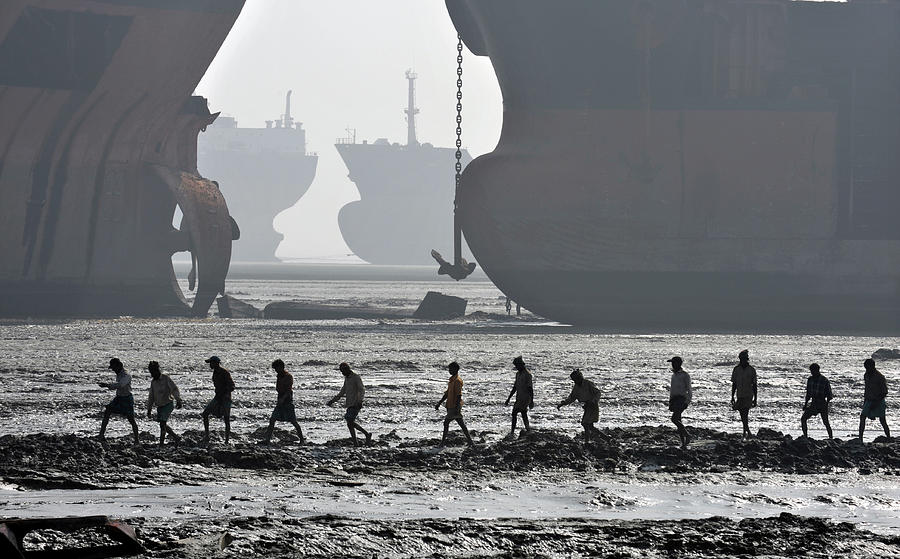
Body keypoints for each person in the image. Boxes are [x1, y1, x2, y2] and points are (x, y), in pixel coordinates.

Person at [327, 362, 372, 446]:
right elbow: (343, 391)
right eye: (341, 371)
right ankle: (356, 442)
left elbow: (361, 390)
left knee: (349, 420)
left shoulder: (356, 377)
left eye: (343, 371)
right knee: (349, 423)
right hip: (349, 403)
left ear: (347, 369)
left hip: (356, 403)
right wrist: (333, 400)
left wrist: (360, 401)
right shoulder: (347, 379)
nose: (342, 373)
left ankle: (366, 434)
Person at [262, 359, 305, 445]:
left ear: (281, 367)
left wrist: (283, 399)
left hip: (287, 402)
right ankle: (267, 440)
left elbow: (288, 390)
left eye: (276, 368)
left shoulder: (288, 376)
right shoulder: (279, 376)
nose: (276, 371)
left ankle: (302, 440)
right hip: (280, 401)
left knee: (293, 421)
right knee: (272, 420)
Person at [99, 357, 140, 445]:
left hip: (126, 399)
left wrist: (107, 385)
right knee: (107, 411)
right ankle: (101, 435)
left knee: (131, 419)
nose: (113, 369)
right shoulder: (118, 373)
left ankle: (137, 440)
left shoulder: (126, 375)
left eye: (113, 367)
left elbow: (120, 385)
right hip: (119, 397)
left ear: (118, 366)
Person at [435, 362, 474, 446]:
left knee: (446, 423)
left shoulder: (457, 381)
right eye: (449, 369)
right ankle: (470, 441)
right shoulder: (451, 380)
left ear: (456, 369)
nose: (449, 371)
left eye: (451, 369)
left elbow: (459, 395)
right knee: (461, 423)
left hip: (454, 406)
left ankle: (442, 443)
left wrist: (456, 408)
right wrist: (439, 403)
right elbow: (447, 394)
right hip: (450, 405)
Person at [557, 369, 601, 443]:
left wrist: (593, 401)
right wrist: (563, 403)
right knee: (590, 426)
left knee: (585, 423)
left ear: (579, 377)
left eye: (575, 379)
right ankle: (606, 438)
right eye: (573, 380)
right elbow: (572, 397)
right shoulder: (576, 387)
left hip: (592, 405)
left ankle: (587, 441)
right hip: (587, 406)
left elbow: (598, 393)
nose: (575, 381)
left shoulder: (588, 383)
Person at [146, 361, 183, 446]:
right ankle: (176, 437)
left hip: (168, 404)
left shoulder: (166, 379)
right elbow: (151, 396)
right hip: (160, 406)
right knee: (163, 424)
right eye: (150, 372)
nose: (151, 374)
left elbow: (174, 389)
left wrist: (178, 400)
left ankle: (161, 444)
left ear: (157, 370)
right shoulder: (153, 382)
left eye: (152, 372)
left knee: (162, 424)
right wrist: (149, 409)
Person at [201, 356, 234, 444]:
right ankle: (207, 436)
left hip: (226, 398)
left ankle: (227, 440)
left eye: (211, 363)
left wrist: (223, 393)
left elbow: (232, 386)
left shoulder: (224, 372)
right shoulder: (215, 373)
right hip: (217, 397)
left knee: (226, 419)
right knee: (205, 414)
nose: (210, 365)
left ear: (216, 363)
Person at [859, 358, 890, 441]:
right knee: (862, 417)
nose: (866, 369)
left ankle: (888, 437)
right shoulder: (866, 375)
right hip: (868, 400)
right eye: (865, 367)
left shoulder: (880, 377)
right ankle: (860, 439)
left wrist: (876, 403)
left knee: (882, 420)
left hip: (879, 400)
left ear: (872, 366)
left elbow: (884, 392)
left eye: (867, 367)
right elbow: (867, 389)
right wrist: (865, 402)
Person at [800, 363, 833, 440]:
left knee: (826, 422)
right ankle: (805, 436)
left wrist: (826, 405)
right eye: (811, 371)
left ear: (817, 370)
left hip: (822, 403)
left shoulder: (824, 380)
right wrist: (805, 404)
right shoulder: (810, 379)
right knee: (803, 419)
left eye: (812, 371)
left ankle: (831, 438)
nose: (811, 373)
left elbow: (829, 395)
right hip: (813, 403)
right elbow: (808, 394)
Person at [730, 349, 758, 440]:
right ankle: (747, 432)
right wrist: (732, 396)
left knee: (745, 413)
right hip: (740, 394)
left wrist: (755, 398)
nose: (743, 360)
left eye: (744, 358)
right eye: (741, 358)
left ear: (747, 359)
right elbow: (734, 384)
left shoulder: (751, 370)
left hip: (748, 395)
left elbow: (754, 385)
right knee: (742, 414)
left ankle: (745, 432)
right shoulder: (736, 369)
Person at [504, 356, 534, 439]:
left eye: (517, 366)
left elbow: (530, 388)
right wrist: (508, 398)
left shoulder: (527, 374)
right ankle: (527, 430)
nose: (516, 368)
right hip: (519, 397)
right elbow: (515, 387)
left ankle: (513, 431)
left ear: (521, 365)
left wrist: (531, 401)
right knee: (522, 413)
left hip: (525, 398)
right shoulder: (518, 374)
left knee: (516, 413)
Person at [668, 356, 692, 449]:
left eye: (674, 363)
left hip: (682, 399)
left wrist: (687, 401)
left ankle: (687, 435)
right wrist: (670, 401)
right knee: (678, 420)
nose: (673, 365)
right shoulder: (673, 375)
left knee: (674, 419)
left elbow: (689, 390)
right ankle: (683, 443)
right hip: (674, 399)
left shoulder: (685, 375)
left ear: (679, 364)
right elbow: (672, 390)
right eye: (672, 363)